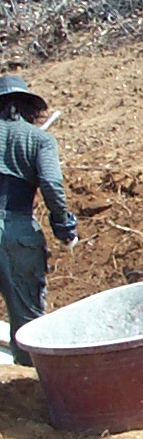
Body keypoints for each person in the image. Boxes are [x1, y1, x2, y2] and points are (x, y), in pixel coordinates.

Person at [0, 75, 77, 367]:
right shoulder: (40, 139)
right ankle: (28, 389)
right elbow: (51, 185)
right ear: (27, 108)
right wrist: (64, 228)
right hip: (19, 231)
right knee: (27, 319)